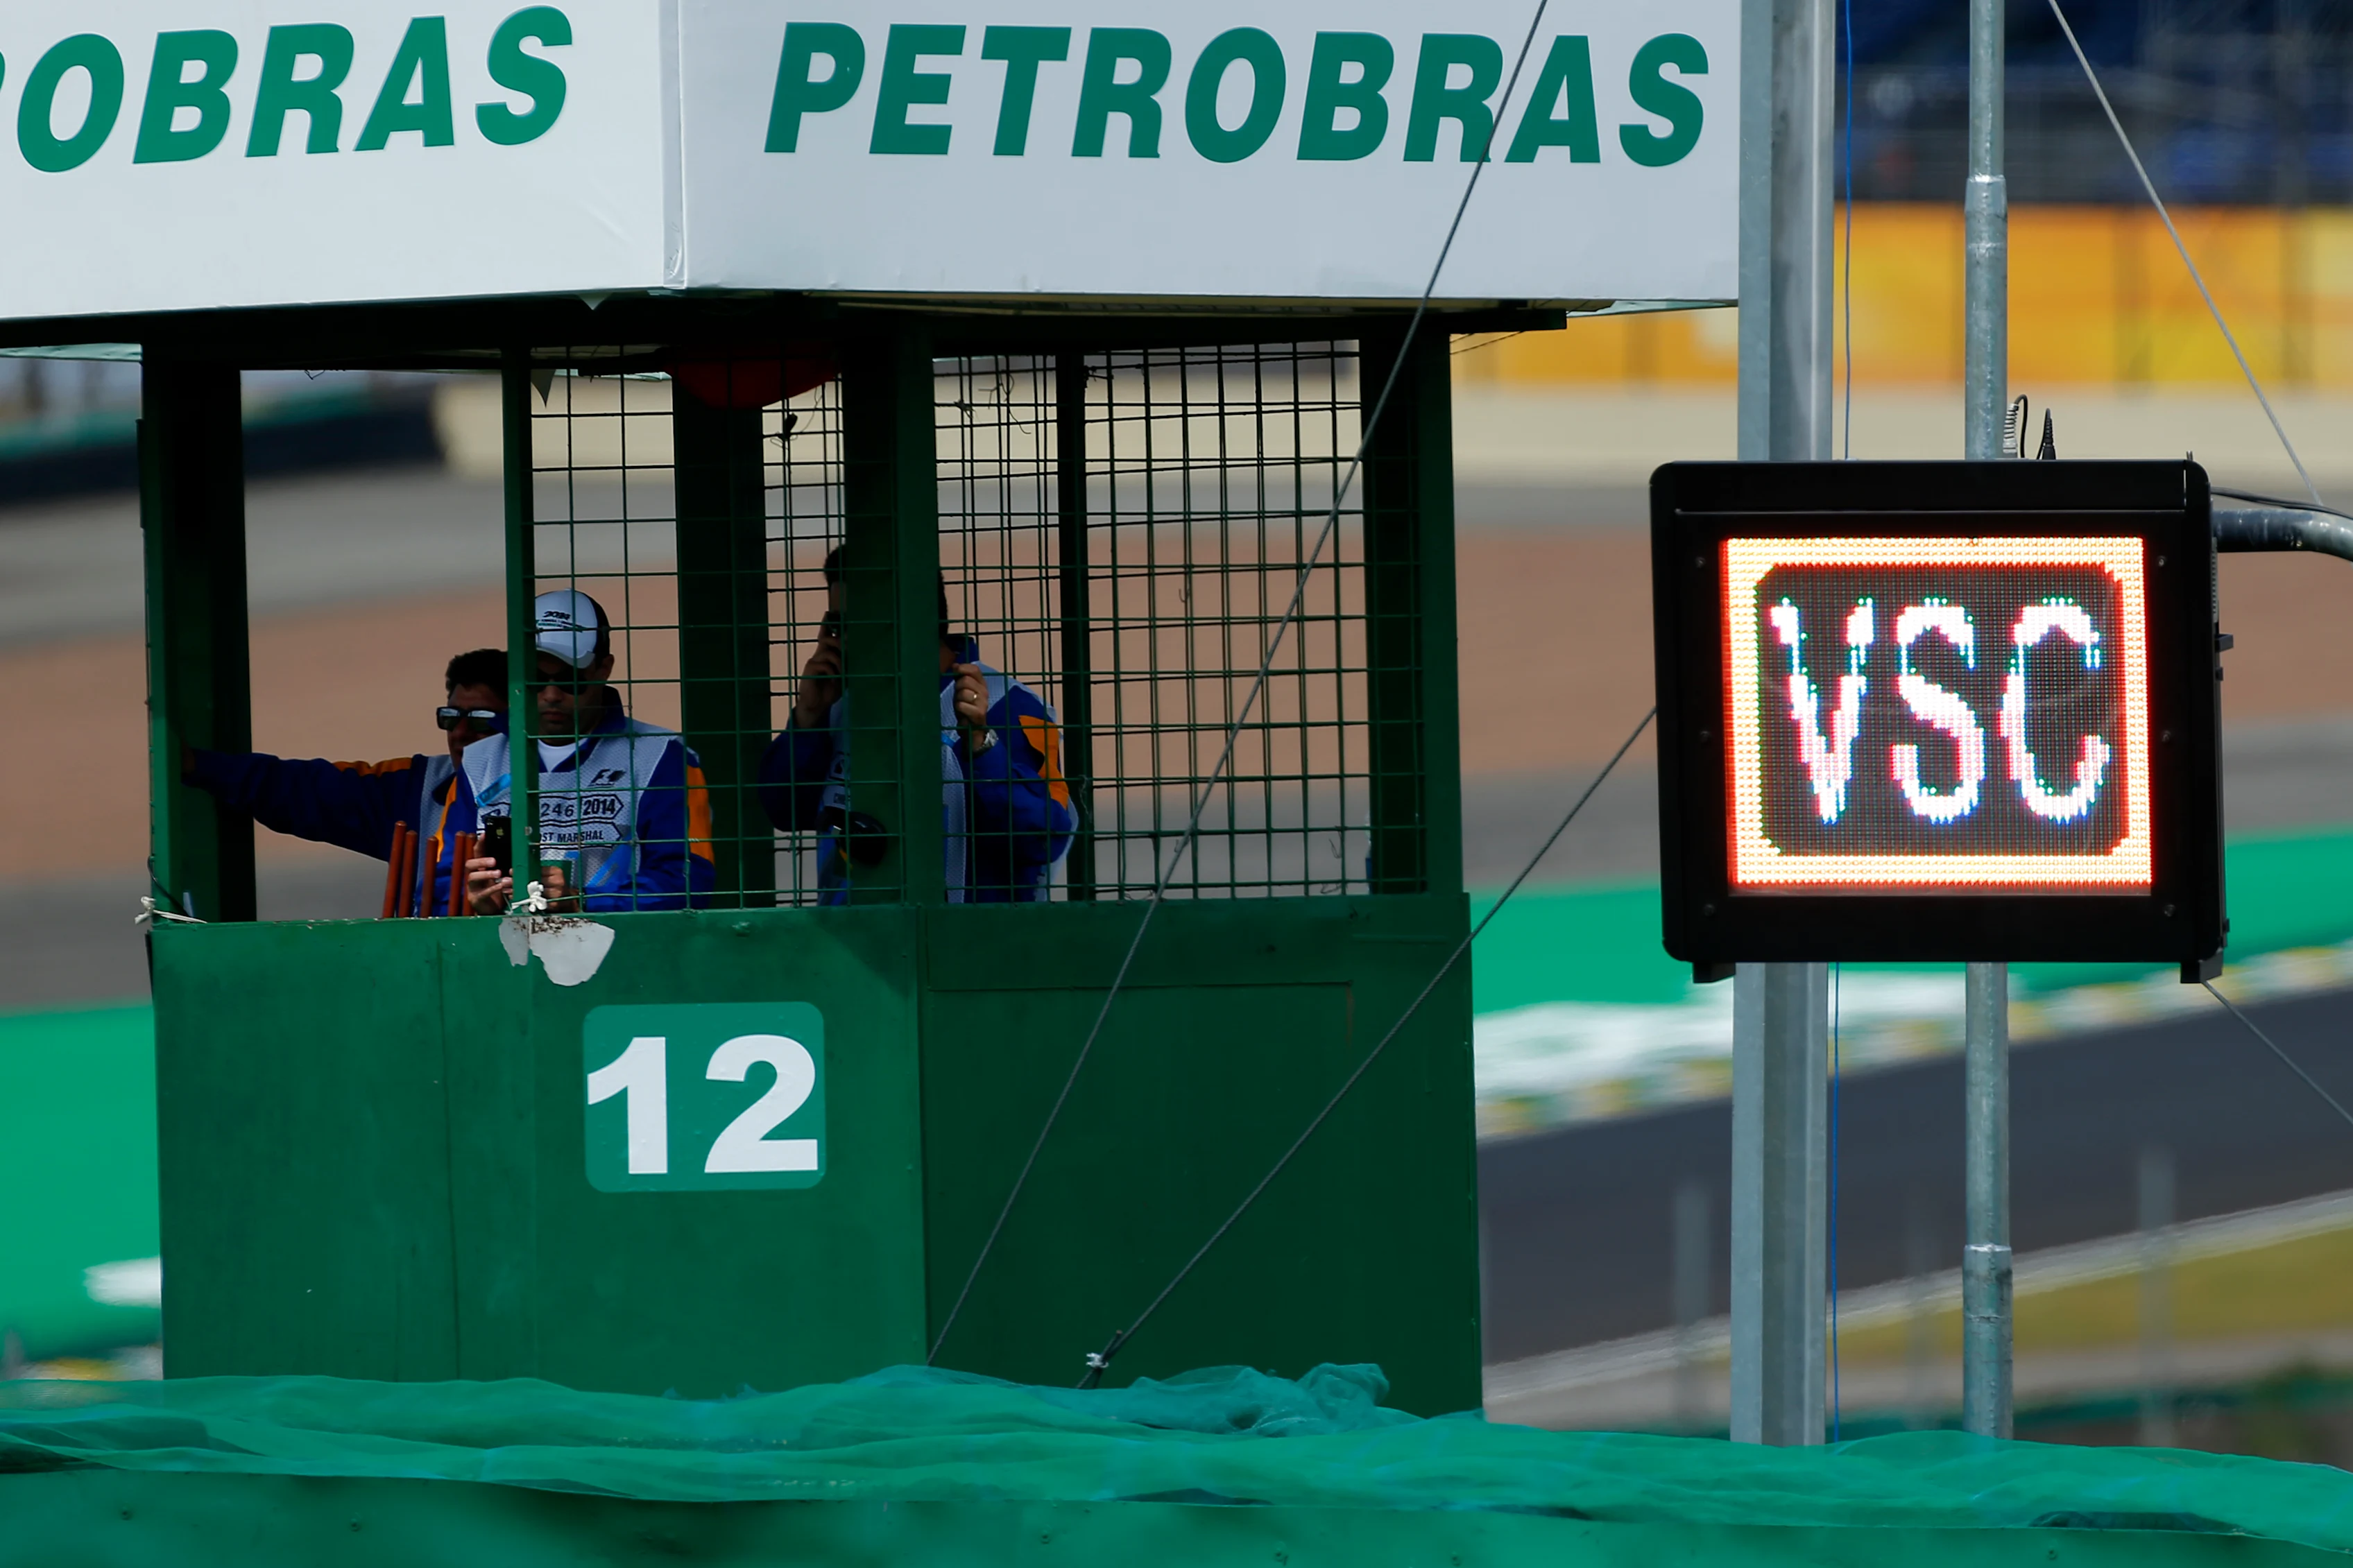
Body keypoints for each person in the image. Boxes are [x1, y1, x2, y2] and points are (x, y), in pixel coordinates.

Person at [759, 551, 1074, 902]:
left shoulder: (1010, 706)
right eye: (838, 624)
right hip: (853, 931)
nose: (845, 639)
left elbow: (1043, 840)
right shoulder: (837, 704)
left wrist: (981, 744)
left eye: (862, 623)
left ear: (914, 616)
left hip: (963, 932)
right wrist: (808, 718)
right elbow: (783, 812)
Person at [184, 649, 508, 914]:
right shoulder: (418, 786)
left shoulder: (536, 791)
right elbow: (302, 788)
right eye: (450, 718)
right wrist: (196, 765)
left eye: (481, 721)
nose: (460, 734)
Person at [460, 589, 716, 914]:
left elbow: (688, 881)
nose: (551, 695)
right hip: (502, 944)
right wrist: (478, 902)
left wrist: (581, 900)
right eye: (535, 679)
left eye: (570, 679)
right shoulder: (478, 761)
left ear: (603, 668)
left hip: (622, 945)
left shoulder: (662, 756)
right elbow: (440, 881)